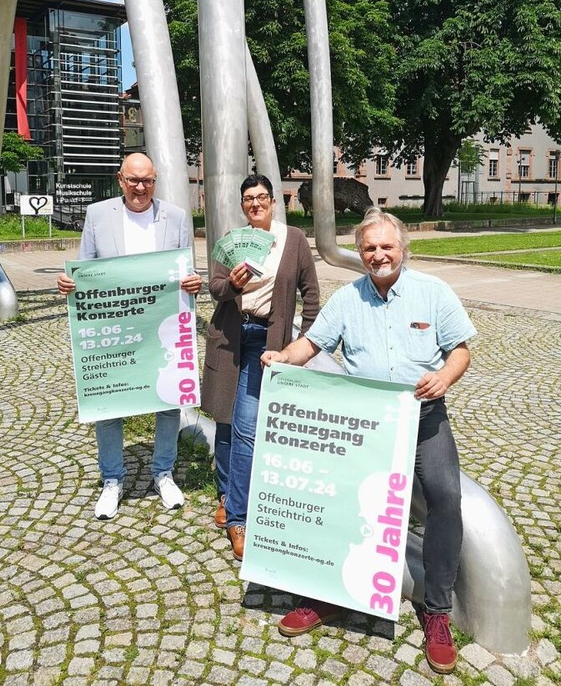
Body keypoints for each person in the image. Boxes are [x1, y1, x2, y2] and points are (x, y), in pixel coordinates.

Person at [261, 207, 476, 676]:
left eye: (386, 246)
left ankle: (436, 611)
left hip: (424, 419)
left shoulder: (433, 292)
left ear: (403, 249)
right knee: (340, 498)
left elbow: (461, 349)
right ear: (359, 253)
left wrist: (444, 377)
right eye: (369, 248)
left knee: (447, 498)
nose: (378, 255)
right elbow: (312, 345)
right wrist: (282, 358)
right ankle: (329, 594)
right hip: (365, 422)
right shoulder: (347, 299)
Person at [57, 153, 202, 519]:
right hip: (115, 328)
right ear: (121, 179)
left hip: (162, 324)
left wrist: (194, 280)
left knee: (168, 401)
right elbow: (85, 270)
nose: (141, 188)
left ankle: (163, 474)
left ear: (156, 181)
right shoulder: (98, 215)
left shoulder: (177, 217)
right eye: (134, 180)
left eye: (148, 181)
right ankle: (111, 479)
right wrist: (69, 283)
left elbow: (186, 269)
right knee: (109, 401)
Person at [201, 175, 319, 561]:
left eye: (262, 198)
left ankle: (239, 517)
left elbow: (311, 294)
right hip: (229, 336)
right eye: (248, 199)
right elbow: (214, 288)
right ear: (242, 205)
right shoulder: (231, 242)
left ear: (273, 202)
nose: (255, 204)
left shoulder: (294, 240)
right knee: (223, 420)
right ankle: (226, 494)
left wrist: (305, 343)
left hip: (267, 343)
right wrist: (232, 285)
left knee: (248, 425)